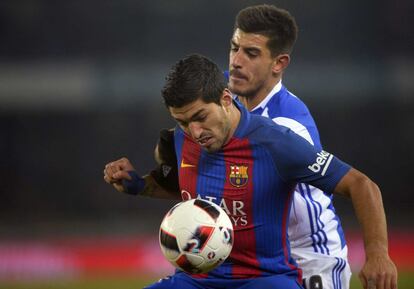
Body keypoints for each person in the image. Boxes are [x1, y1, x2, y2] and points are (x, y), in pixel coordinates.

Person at [140, 5, 398, 289]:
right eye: (234, 47)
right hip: (256, 259)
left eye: (251, 53)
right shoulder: (222, 96)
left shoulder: (287, 127)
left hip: (307, 254)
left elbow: (345, 189)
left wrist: (377, 254)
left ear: (278, 63)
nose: (236, 61)